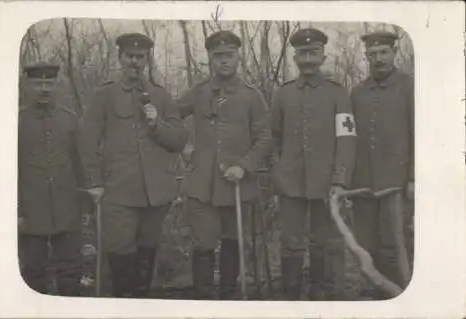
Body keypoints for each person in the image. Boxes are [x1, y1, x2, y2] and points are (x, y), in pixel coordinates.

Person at [78, 33, 188, 298]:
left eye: (140, 57)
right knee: (119, 250)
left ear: (147, 59)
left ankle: (142, 303)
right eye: (130, 56)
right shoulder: (104, 95)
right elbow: (87, 140)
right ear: (120, 58)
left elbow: (179, 139)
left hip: (156, 193)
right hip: (118, 191)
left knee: (147, 249)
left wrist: (156, 125)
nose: (135, 62)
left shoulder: (160, 97)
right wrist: (94, 182)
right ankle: (123, 304)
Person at [176, 30, 272, 300]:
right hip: (202, 187)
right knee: (203, 244)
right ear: (210, 59)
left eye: (229, 55)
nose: (224, 61)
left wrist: (244, 165)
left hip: (237, 186)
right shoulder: (198, 92)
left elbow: (265, 139)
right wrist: (182, 145)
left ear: (238, 57)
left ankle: (228, 298)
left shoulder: (251, 96)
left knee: (234, 241)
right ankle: (203, 300)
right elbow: (170, 119)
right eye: (218, 56)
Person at [270, 28, 357, 300]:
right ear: (295, 57)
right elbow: (274, 138)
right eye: (302, 54)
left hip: (326, 182)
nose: (307, 59)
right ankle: (291, 296)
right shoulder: (282, 95)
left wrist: (340, 180)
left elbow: (347, 139)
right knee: (291, 243)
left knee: (324, 242)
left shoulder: (337, 94)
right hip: (290, 182)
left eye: (313, 53)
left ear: (322, 56)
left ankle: (323, 295)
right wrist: (278, 173)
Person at [350, 31, 414, 299]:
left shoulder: (409, 86)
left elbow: (419, 134)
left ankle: (396, 295)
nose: (378, 59)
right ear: (366, 57)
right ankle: (369, 293)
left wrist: (413, 177)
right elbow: (349, 137)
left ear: (394, 53)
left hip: (396, 183)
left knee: (394, 243)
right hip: (363, 183)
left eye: (383, 53)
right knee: (366, 243)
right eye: (372, 54)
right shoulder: (358, 92)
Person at [18, 63, 85, 296]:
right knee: (33, 270)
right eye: (38, 84)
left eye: (49, 83)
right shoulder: (17, 121)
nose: (44, 89)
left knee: (70, 269)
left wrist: (84, 206)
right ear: (28, 86)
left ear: (57, 85)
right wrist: (16, 210)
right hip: (30, 210)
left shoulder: (70, 120)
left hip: (66, 207)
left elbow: (81, 164)